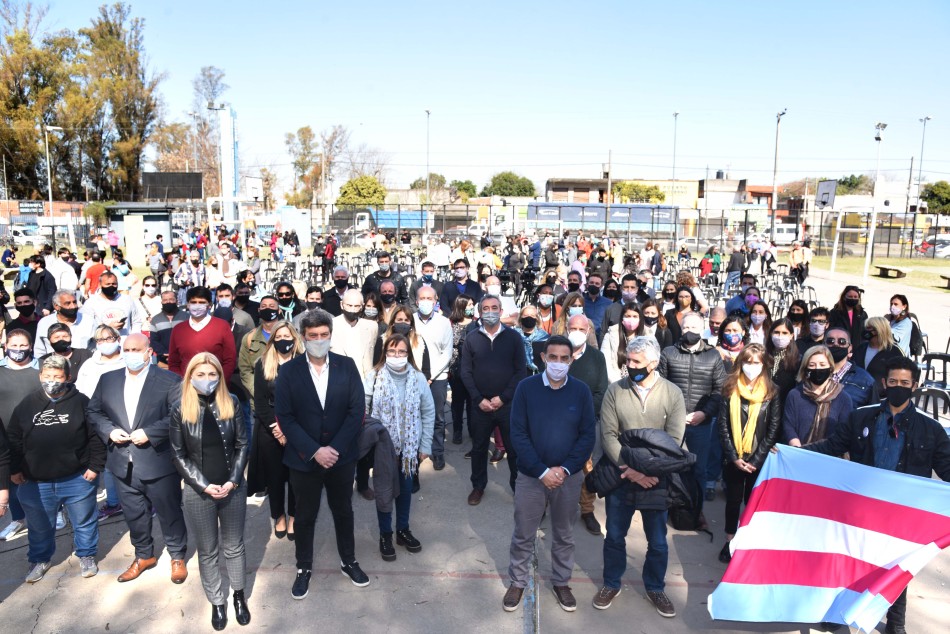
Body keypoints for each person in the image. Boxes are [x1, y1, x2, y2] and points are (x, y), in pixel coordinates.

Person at [804, 356, 950, 633]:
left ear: (915, 386)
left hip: (904, 513)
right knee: (851, 563)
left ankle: (896, 623)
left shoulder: (930, 430)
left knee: (899, 568)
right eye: (893, 381)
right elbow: (833, 446)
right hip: (862, 508)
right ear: (884, 383)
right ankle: (839, 612)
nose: (898, 387)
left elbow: (946, 467)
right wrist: (794, 453)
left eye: (904, 383)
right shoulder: (861, 417)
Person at [274, 311, 370, 600]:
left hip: (341, 457)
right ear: (303, 337)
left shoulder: (347, 366)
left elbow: (357, 411)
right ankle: (303, 567)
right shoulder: (289, 372)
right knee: (304, 516)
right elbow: (286, 417)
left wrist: (334, 450)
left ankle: (348, 560)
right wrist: (315, 451)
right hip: (304, 459)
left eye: (323, 335)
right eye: (312, 336)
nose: (318, 340)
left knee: (343, 511)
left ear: (330, 335)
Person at [595, 336, 686, 616]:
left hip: (656, 480)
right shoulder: (615, 391)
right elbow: (609, 435)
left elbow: (674, 440)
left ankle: (655, 587)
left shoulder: (672, 393)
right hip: (621, 477)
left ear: (654, 363)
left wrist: (647, 470)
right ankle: (612, 583)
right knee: (614, 536)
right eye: (628, 360)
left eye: (636, 361)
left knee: (658, 541)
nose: (629, 366)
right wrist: (631, 470)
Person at [504, 335, 596, 613]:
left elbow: (587, 436)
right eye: (552, 357)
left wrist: (565, 469)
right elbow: (517, 434)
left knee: (564, 534)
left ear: (571, 360)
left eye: (564, 358)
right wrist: (542, 470)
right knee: (523, 533)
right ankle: (518, 582)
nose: (558, 363)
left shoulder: (581, 392)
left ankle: (561, 581)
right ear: (543, 357)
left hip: (568, 479)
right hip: (532, 477)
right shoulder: (526, 388)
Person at [87, 334, 188, 584]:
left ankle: (177, 555)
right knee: (134, 514)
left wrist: (150, 433)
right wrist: (109, 431)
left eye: (136, 349)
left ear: (149, 351)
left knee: (169, 511)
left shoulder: (169, 380)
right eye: (127, 349)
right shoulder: (108, 379)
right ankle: (144, 555)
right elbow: (94, 411)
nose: (131, 353)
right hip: (122, 462)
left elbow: (180, 415)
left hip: (158, 462)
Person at [169, 353, 249, 630]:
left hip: (232, 487)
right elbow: (178, 455)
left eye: (212, 374)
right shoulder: (180, 408)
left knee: (234, 546)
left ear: (220, 376)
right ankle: (217, 602)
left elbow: (242, 444)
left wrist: (234, 480)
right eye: (200, 375)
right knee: (208, 550)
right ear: (190, 377)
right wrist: (203, 484)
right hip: (198, 491)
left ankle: (239, 596)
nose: (207, 380)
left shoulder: (232, 402)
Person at [8, 355, 105, 583]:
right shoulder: (27, 404)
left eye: (58, 377)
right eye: (48, 376)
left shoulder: (81, 401)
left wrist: (95, 466)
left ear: (67, 377)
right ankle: (40, 559)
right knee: (40, 526)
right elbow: (14, 439)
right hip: (36, 481)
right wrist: (14, 469)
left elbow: (95, 437)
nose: (52, 381)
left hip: (77, 478)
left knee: (84, 521)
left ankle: (87, 555)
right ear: (40, 376)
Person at [364, 334, 434, 561]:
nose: (397, 356)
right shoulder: (374, 377)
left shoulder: (418, 378)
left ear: (408, 354)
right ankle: (386, 534)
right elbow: (362, 410)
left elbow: (428, 411)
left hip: (409, 449)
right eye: (392, 352)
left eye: (402, 352)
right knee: (384, 493)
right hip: (383, 449)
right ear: (385, 353)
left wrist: (425, 445)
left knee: (405, 491)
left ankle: (402, 530)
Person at [657, 311, 726, 524]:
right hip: (672, 423)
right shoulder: (668, 353)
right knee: (669, 466)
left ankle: (696, 510)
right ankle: (666, 509)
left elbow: (719, 390)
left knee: (698, 469)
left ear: (702, 329)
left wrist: (704, 413)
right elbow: (660, 386)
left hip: (701, 424)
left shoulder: (713, 355)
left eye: (694, 329)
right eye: (686, 328)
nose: (690, 332)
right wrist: (674, 414)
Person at [716, 343, 781, 564]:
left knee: (752, 502)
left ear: (764, 365)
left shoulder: (772, 391)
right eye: (747, 362)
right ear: (740, 363)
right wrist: (734, 457)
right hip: (734, 458)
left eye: (756, 363)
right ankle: (730, 539)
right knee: (733, 501)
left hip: (758, 459)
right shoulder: (729, 388)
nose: (751, 367)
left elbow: (773, 429)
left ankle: (746, 542)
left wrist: (755, 459)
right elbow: (723, 426)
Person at [460, 294, 528, 505]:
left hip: (507, 405)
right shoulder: (471, 338)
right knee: (479, 448)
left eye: (494, 308)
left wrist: (503, 397)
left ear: (501, 311)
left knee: (514, 449)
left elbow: (520, 372)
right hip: (480, 406)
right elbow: (466, 372)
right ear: (480, 312)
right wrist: (478, 399)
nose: (490, 311)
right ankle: (478, 486)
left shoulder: (514, 337)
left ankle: (519, 488)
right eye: (486, 308)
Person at [250, 321, 302, 542]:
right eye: (278, 336)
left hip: (298, 427)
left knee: (297, 477)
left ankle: (294, 517)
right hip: (270, 427)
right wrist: (277, 428)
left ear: (294, 338)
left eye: (287, 336)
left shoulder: (303, 363)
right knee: (275, 477)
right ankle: (278, 515)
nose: (283, 340)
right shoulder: (263, 363)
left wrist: (290, 429)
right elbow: (260, 402)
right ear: (273, 340)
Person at [559, 314, 608, 535]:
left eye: (581, 328)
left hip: (585, 423)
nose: (576, 331)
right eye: (572, 327)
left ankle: (587, 510)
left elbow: (600, 391)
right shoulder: (558, 354)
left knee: (587, 469)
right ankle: (548, 505)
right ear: (566, 329)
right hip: (557, 423)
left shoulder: (597, 357)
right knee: (554, 464)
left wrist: (581, 415)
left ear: (588, 331)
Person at [413, 285, 453, 471]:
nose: (426, 302)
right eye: (422, 298)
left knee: (437, 416)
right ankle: (416, 451)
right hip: (414, 376)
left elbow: (447, 352)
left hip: (437, 377)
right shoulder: (411, 321)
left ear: (436, 301)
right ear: (416, 301)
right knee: (415, 414)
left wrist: (430, 376)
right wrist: (419, 375)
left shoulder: (444, 323)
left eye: (430, 299)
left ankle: (437, 451)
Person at [783, 346, 853, 447]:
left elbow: (843, 433)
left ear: (830, 367)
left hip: (830, 456)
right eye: (812, 365)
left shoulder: (843, 398)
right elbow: (788, 426)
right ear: (805, 369)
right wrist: (798, 448)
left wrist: (814, 451)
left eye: (822, 364)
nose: (817, 368)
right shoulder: (795, 395)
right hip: (798, 454)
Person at [167, 286, 236, 380]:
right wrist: (184, 383)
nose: (197, 305)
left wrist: (219, 381)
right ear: (187, 304)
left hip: (216, 385)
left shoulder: (222, 326)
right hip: (186, 387)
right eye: (193, 302)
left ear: (210, 305)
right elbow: (173, 363)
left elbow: (230, 360)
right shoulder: (178, 329)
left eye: (202, 302)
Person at [237, 295, 282, 397]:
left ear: (278, 310)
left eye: (271, 306)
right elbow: (245, 369)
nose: (267, 309)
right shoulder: (249, 338)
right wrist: (257, 391)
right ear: (259, 310)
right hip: (258, 401)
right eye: (264, 306)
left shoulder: (290, 335)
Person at [330, 289, 379, 380]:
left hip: (364, 383)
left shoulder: (372, 327)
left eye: (356, 306)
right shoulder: (331, 326)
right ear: (342, 305)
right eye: (349, 305)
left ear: (362, 306)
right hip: (338, 381)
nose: (352, 309)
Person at [80, 271, 144, 337]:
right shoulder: (91, 302)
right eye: (107, 284)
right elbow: (85, 326)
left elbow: (136, 322)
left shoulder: (127, 299)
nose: (111, 286)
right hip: (102, 344)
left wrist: (134, 338)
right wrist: (108, 328)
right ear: (100, 285)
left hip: (125, 344)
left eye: (114, 284)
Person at [448, 294, 475, 446]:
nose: (471, 308)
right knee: (457, 402)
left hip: (474, 369)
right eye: (468, 305)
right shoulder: (451, 324)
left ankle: (473, 429)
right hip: (456, 369)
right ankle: (457, 430)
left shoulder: (477, 324)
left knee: (473, 402)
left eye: (472, 304)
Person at [824, 327, 875, 407]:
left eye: (842, 341)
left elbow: (873, 413)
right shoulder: (812, 373)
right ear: (824, 345)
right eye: (830, 341)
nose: (836, 344)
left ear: (850, 348)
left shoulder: (866, 380)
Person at [34, 289, 94, 357]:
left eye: (74, 302)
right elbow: (39, 351)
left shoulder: (88, 321)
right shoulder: (44, 323)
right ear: (56, 306)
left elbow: (95, 346)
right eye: (68, 303)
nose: (73, 306)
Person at [852, 316, 904, 386]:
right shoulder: (861, 348)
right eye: (866, 328)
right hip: (859, 392)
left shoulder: (894, 352)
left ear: (879, 330)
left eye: (870, 328)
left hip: (882, 395)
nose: (866, 331)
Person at [601, 303, 644, 384]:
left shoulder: (647, 336)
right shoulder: (610, 336)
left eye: (635, 316)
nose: (631, 319)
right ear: (622, 318)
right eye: (628, 316)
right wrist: (619, 385)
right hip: (616, 384)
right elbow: (606, 364)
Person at [764, 318, 800, 407]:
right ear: (771, 334)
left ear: (791, 335)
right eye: (776, 332)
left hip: (785, 406)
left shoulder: (798, 360)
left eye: (784, 333)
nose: (780, 336)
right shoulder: (763, 357)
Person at [514, 304, 549, 374]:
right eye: (526, 315)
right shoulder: (513, 336)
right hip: (518, 377)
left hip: (538, 377)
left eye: (532, 316)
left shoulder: (545, 338)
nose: (529, 318)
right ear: (521, 317)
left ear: (536, 319)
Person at [581, 272, 612, 338]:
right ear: (587, 284)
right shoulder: (580, 301)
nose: (594, 285)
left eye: (597, 284)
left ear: (601, 286)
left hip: (602, 338)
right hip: (584, 336)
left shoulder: (608, 303)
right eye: (591, 282)